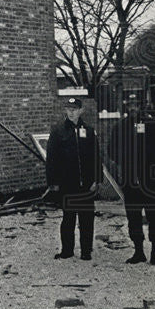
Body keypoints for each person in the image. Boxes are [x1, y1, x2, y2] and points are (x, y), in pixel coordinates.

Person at [109, 97, 155, 266]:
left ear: (142, 106)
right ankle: (139, 252)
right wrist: (127, 162)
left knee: (154, 217)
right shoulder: (120, 127)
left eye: (136, 105)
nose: (133, 108)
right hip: (130, 179)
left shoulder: (154, 125)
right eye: (130, 105)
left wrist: (150, 164)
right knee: (133, 217)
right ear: (125, 106)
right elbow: (112, 150)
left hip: (150, 181)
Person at [46, 97, 100, 261]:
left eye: (75, 109)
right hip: (67, 184)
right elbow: (52, 159)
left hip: (86, 185)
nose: (71, 112)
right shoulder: (58, 131)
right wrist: (53, 183)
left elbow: (96, 156)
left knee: (86, 218)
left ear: (81, 111)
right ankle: (67, 250)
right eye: (68, 109)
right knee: (68, 218)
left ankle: (86, 250)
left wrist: (97, 180)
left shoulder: (89, 131)